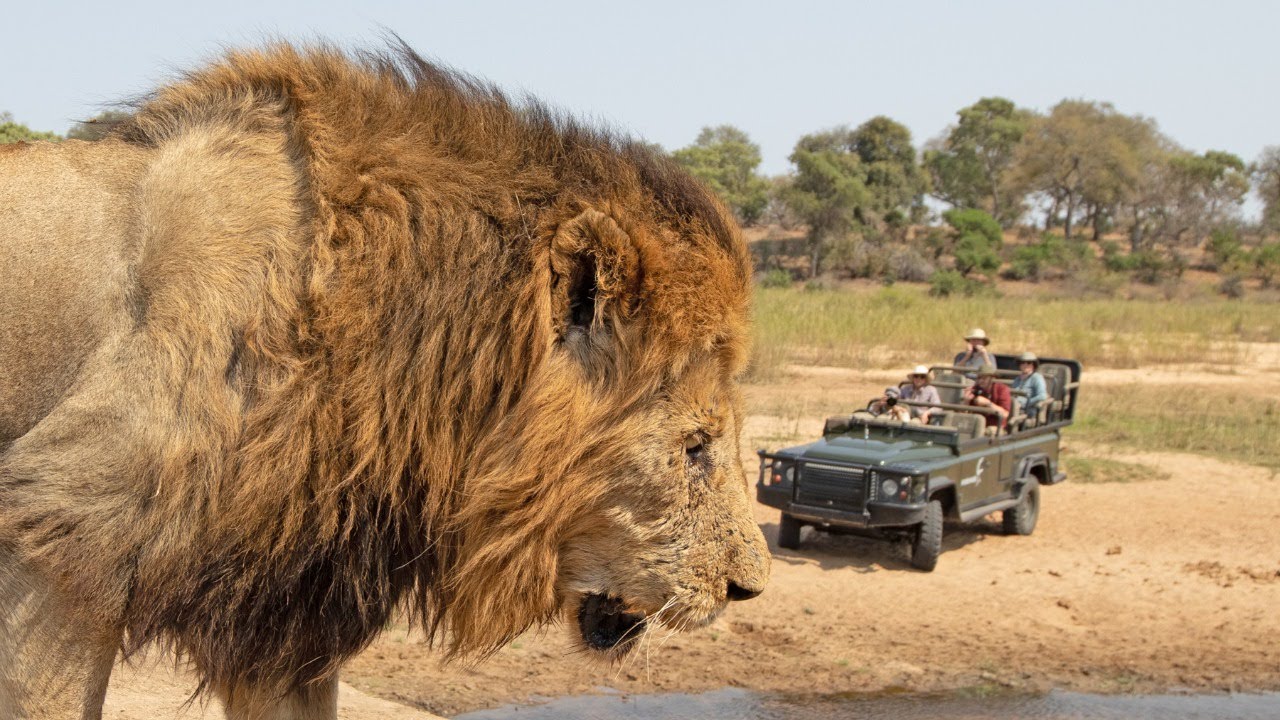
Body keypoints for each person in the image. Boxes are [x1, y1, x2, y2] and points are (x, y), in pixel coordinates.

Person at [963, 364, 1010, 432]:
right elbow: (964, 415)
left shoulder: (1002, 389)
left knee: (987, 432)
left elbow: (1005, 414)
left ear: (992, 378)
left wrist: (988, 403)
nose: (980, 381)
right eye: (979, 378)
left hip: (997, 427)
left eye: (984, 378)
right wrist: (966, 401)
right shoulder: (974, 389)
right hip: (977, 425)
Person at [1011, 351, 1048, 422]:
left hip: (1028, 411)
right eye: (1023, 362)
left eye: (1029, 363)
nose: (1025, 365)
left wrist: (1027, 403)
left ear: (1033, 365)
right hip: (1015, 407)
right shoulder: (1017, 379)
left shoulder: (1037, 378)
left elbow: (1042, 396)